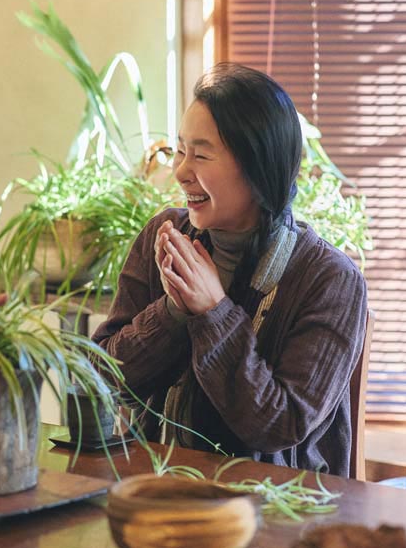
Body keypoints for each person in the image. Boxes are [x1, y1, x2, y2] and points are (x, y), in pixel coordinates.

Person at [93, 63, 367, 476]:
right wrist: (173, 313)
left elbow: (280, 424)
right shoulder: (164, 237)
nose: (182, 172)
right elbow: (103, 377)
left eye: (201, 154)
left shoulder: (329, 279)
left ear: (260, 168)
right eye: (181, 151)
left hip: (278, 511)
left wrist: (214, 313)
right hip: (155, 489)